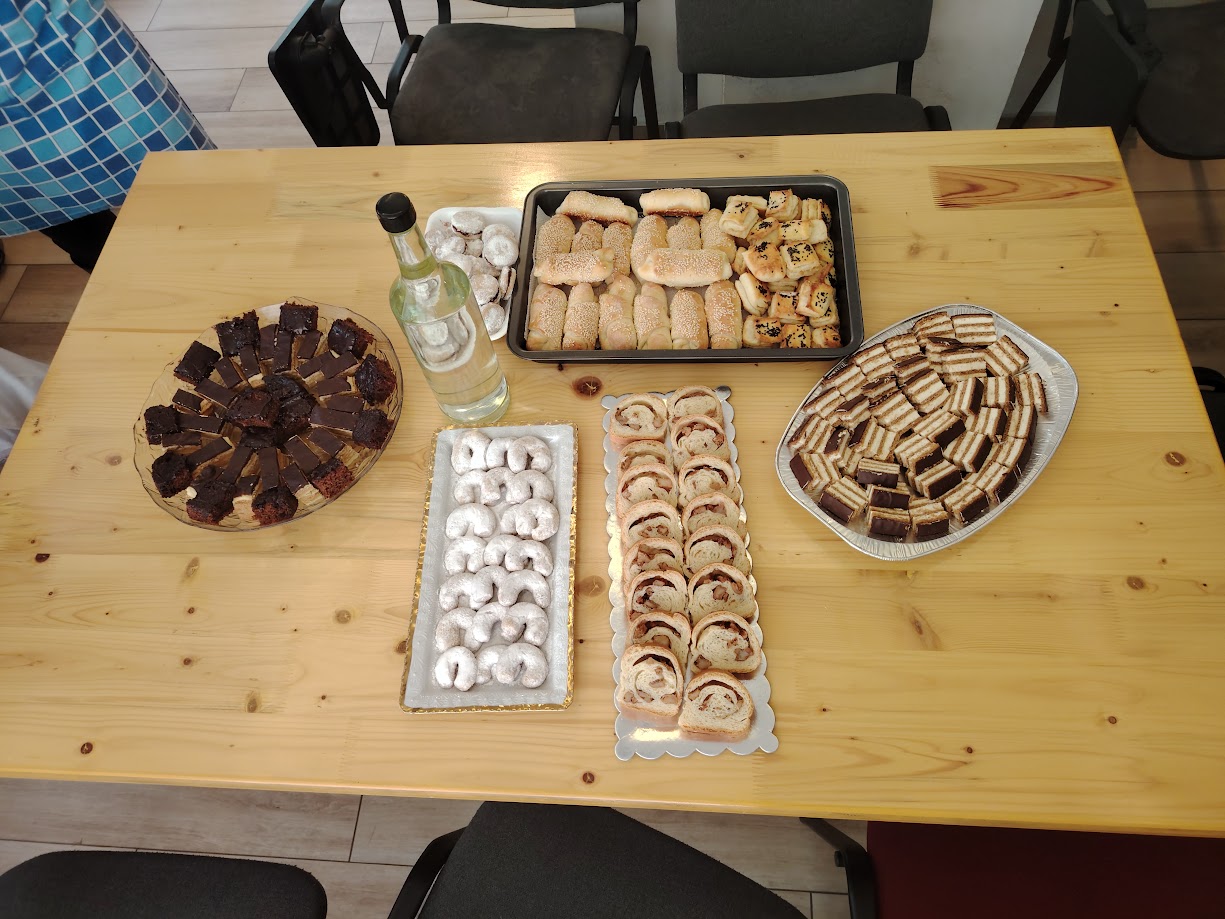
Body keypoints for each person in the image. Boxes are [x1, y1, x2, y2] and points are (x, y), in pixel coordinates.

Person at [0, 0, 215, 273]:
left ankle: (220, 250)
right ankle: (129, 276)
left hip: (59, 44)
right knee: (59, 216)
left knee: (182, 182)